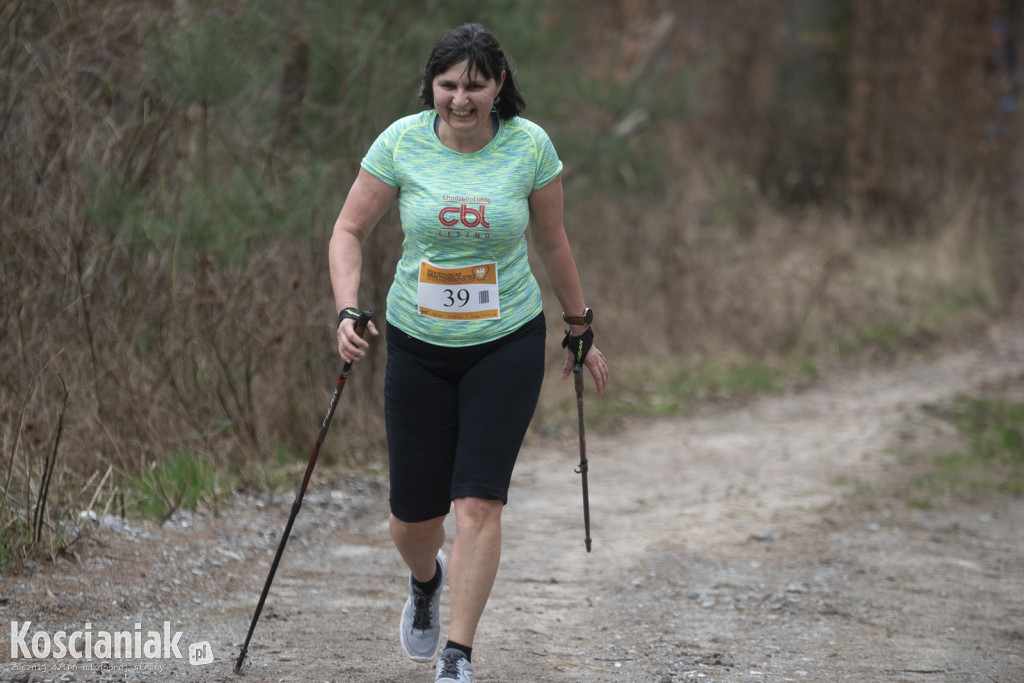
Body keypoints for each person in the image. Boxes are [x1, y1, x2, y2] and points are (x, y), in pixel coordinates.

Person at [328, 23, 609, 683]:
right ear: (431, 85)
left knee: (478, 503)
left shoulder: (529, 146)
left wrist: (579, 326)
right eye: (448, 84)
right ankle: (426, 580)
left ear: (499, 85)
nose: (460, 99)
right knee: (412, 522)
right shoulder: (401, 142)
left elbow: (554, 241)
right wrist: (346, 308)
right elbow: (348, 229)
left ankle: (458, 653)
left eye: (475, 86)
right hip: (418, 346)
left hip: (506, 342)